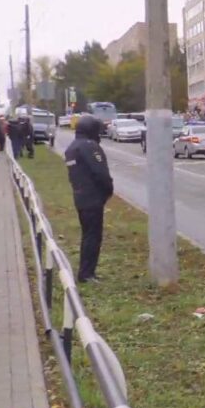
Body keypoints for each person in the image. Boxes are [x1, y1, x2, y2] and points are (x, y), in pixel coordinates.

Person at [65, 116, 114, 283]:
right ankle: (87, 274)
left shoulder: (72, 147)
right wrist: (108, 190)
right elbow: (101, 173)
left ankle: (85, 271)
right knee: (93, 236)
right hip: (93, 198)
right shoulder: (89, 147)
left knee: (88, 235)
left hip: (80, 196)